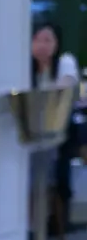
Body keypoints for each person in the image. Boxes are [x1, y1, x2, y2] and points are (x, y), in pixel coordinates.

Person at [31, 23, 80, 229]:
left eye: (47, 40)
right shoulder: (25, 68)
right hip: (35, 130)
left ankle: (59, 218)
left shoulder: (65, 62)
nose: (42, 45)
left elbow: (62, 93)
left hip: (61, 129)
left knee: (56, 162)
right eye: (37, 40)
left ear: (57, 44)